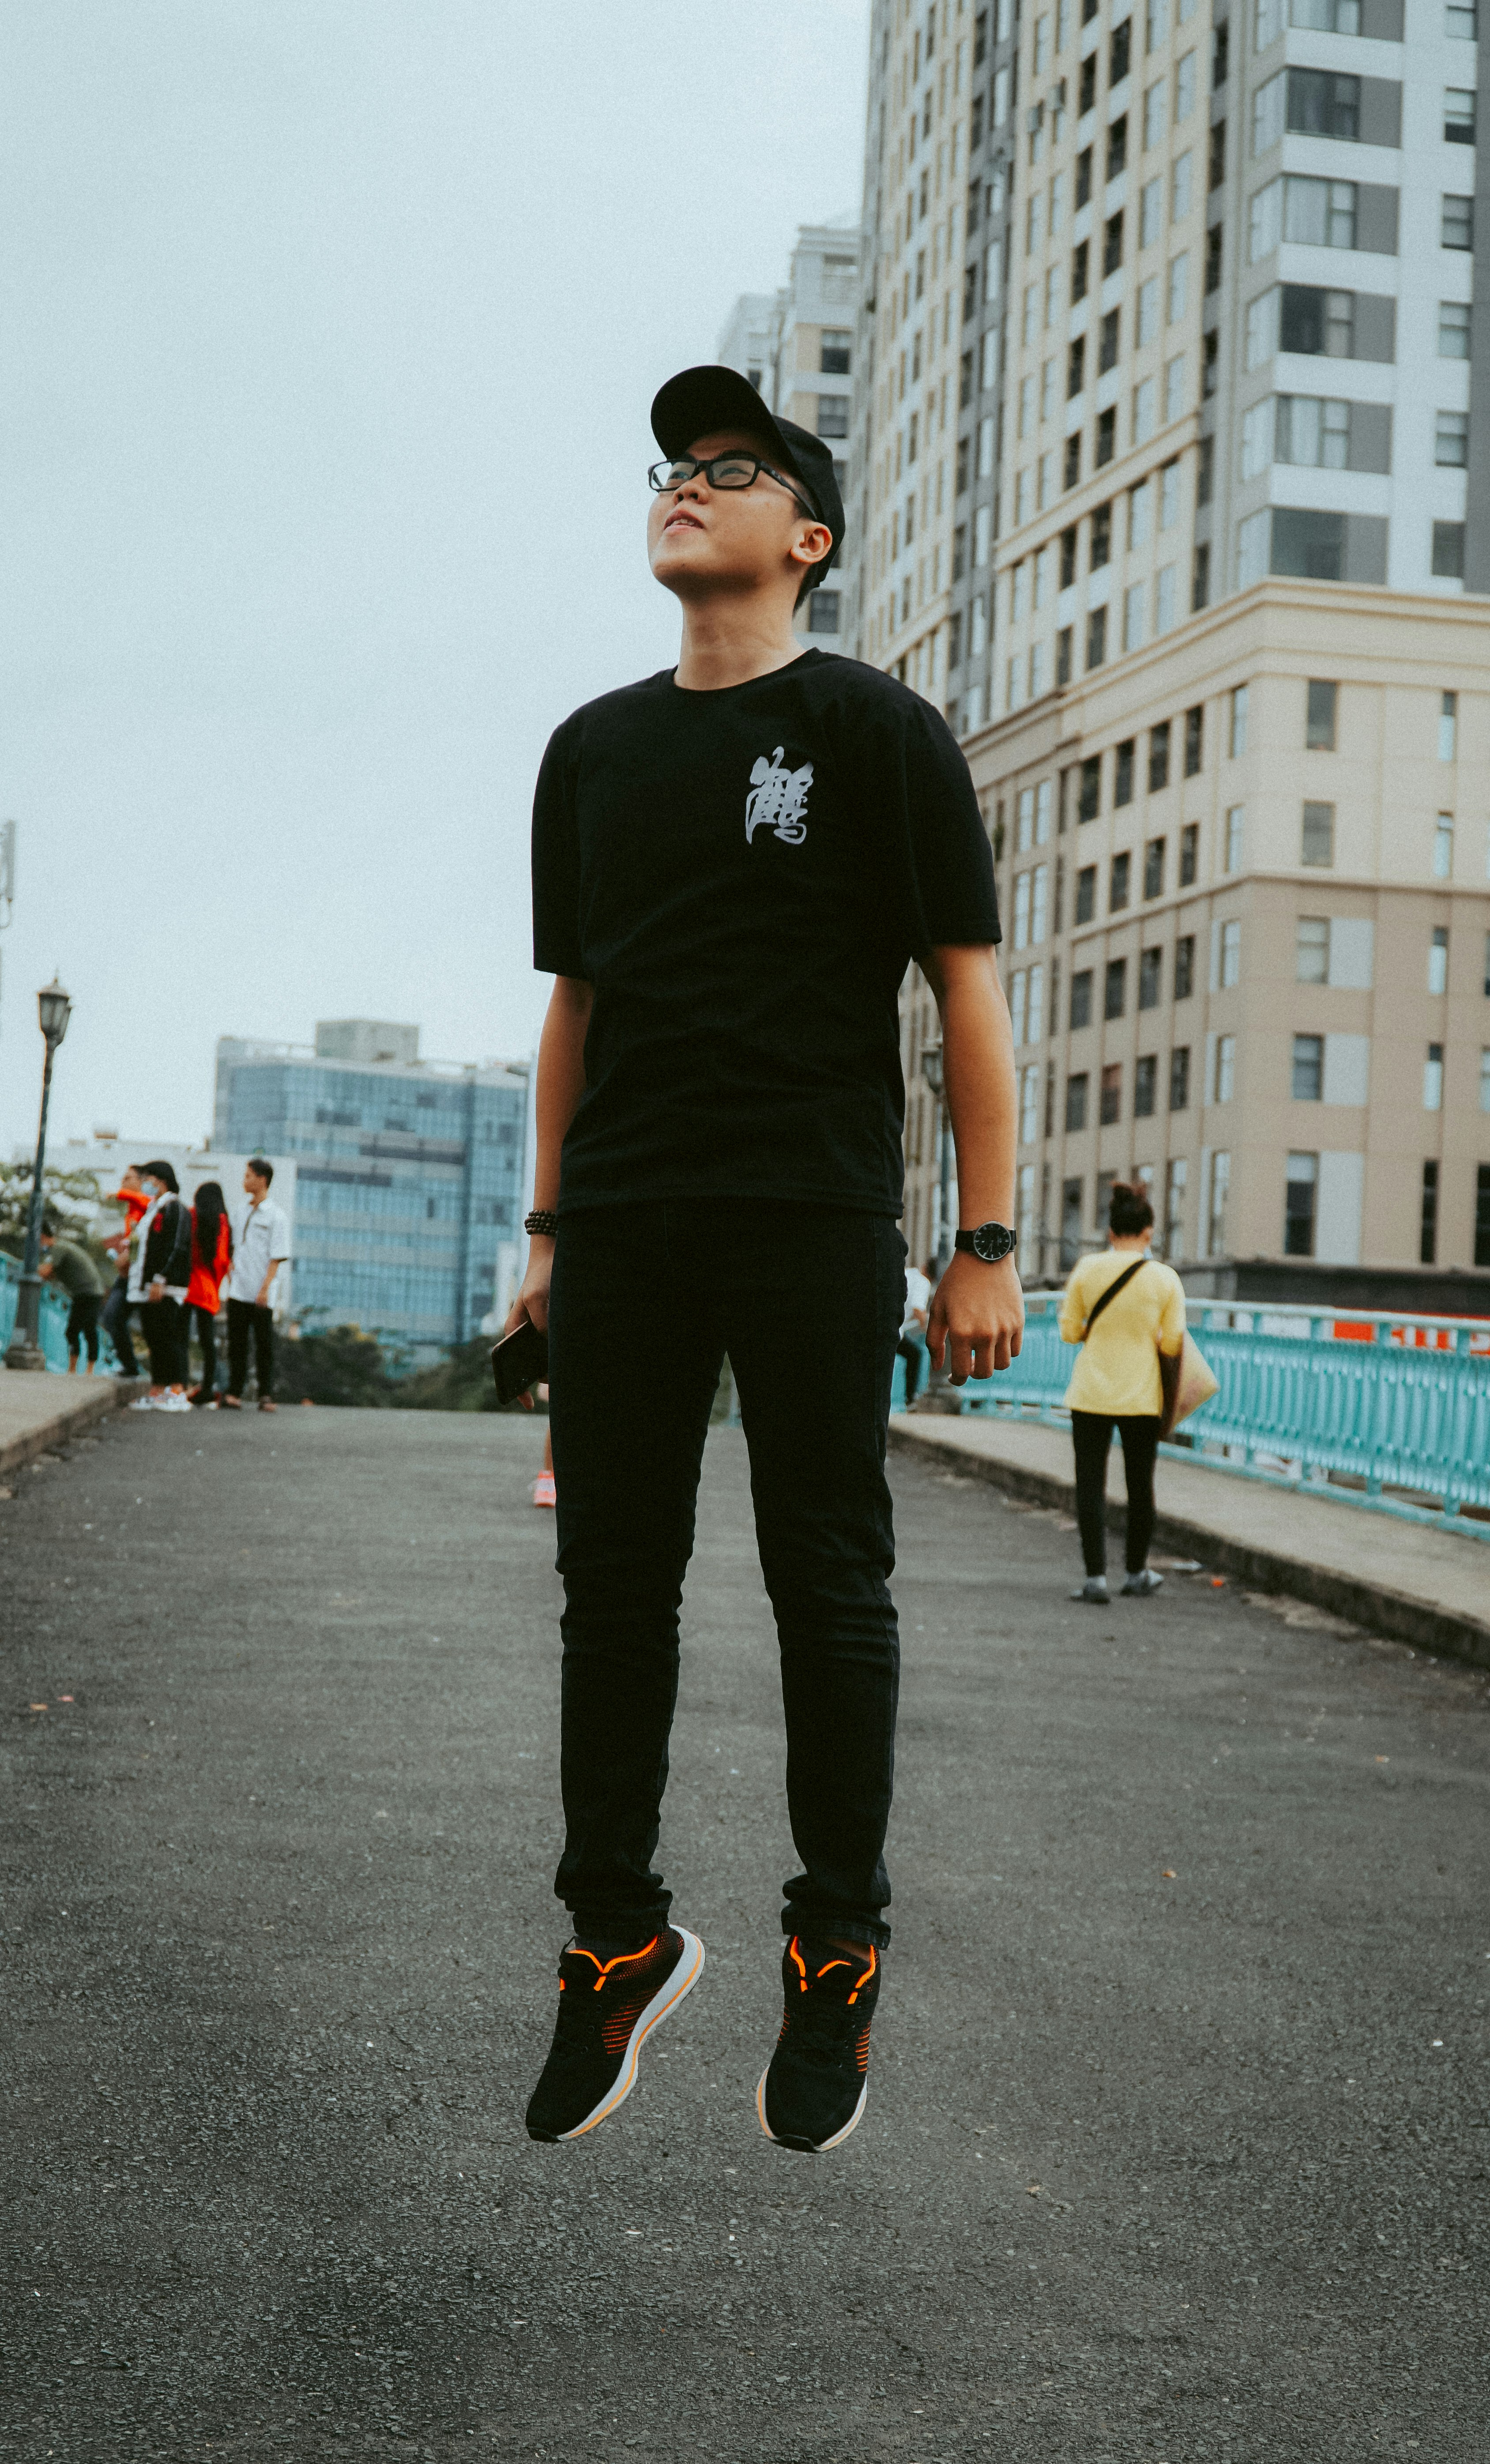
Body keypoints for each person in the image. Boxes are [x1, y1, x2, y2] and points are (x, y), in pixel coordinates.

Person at [513, 363, 1022, 2155]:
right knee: (612, 1592)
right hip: (630, 1222)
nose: (684, 486)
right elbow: (575, 1006)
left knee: (830, 1583)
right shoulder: (590, 748)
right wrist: (544, 1228)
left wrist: (981, 1242)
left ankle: (838, 1946)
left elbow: (967, 992)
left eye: (728, 471)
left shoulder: (882, 735)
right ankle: (615, 1938)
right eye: (669, 467)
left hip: (814, 1213)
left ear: (804, 537)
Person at [1059, 1181, 1186, 1604]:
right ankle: (1136, 1572)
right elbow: (1172, 1344)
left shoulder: (1087, 1269)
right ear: (1149, 1232)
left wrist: (1095, 1331)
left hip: (1091, 1392)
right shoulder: (1165, 1278)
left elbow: (1068, 1331)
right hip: (1141, 1396)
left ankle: (1095, 1578)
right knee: (1139, 1486)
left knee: (1090, 1486)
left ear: (1111, 1232)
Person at [222, 1158, 289, 1411]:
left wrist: (265, 1288)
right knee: (237, 1344)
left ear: (262, 1180)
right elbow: (233, 1244)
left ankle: (266, 1394)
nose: (245, 1180)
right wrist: (229, 1267)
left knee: (264, 1346)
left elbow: (276, 1257)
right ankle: (234, 1392)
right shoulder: (241, 1210)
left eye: (249, 1176)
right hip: (239, 1288)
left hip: (262, 1291)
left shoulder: (276, 1216)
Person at [127, 1162, 194, 1411]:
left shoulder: (175, 1209)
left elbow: (175, 1246)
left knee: (168, 1336)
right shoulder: (156, 1209)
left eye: (148, 1179)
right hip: (149, 1285)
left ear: (160, 1181)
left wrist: (160, 1278)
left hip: (166, 1285)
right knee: (154, 1337)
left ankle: (176, 1389)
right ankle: (158, 1389)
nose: (146, 1184)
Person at [185, 1180, 233, 1406]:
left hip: (186, 1284)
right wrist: (216, 1282)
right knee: (208, 1341)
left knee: (181, 1337)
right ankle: (207, 1388)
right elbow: (222, 1259)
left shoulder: (191, 1215)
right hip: (208, 1288)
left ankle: (180, 1385)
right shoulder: (223, 1222)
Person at [100, 1165, 149, 1379]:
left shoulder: (147, 1205)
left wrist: (117, 1194)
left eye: (128, 1179)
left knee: (151, 1328)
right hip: (128, 1274)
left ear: (141, 1182)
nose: (123, 1183)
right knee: (112, 1317)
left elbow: (145, 1201)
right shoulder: (131, 1211)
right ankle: (130, 1365)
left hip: (143, 1276)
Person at [38, 1218, 105, 1373]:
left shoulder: (57, 1248)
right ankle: (85, 1370)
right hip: (89, 1292)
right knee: (88, 1329)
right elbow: (51, 1275)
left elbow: (46, 1272)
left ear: (42, 1237)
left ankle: (78, 1369)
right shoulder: (60, 1248)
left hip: (88, 1292)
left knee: (76, 1330)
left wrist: (30, 1270)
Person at [896, 1257, 934, 1406]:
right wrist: (929, 1327)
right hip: (894, 1329)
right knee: (915, 1355)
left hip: (888, 1325)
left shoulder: (909, 1273)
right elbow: (918, 1309)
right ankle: (910, 1398)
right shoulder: (924, 1283)